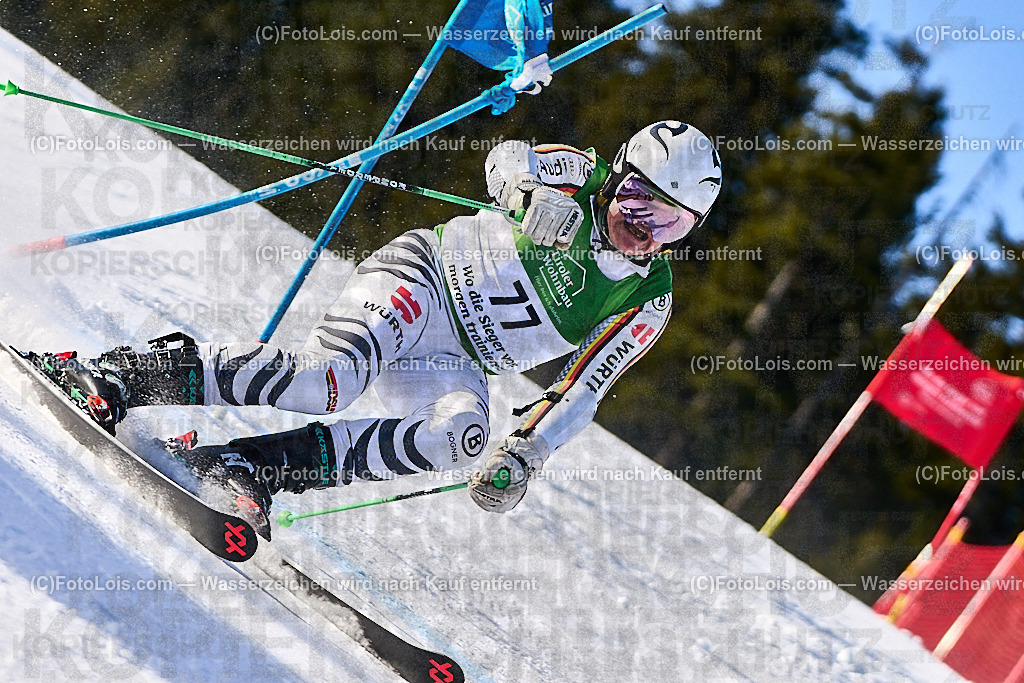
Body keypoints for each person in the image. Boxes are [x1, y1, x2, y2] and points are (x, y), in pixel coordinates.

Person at [34, 120, 722, 534]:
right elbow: (508, 158)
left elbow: (582, 388)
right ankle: (128, 372)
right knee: (327, 380)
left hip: (458, 357)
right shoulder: (580, 172)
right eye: (636, 197)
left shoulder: (649, 299)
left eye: (667, 222)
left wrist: (526, 455)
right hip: (427, 279)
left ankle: (252, 467)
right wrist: (526, 194)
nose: (640, 226)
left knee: (464, 436)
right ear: (619, 175)